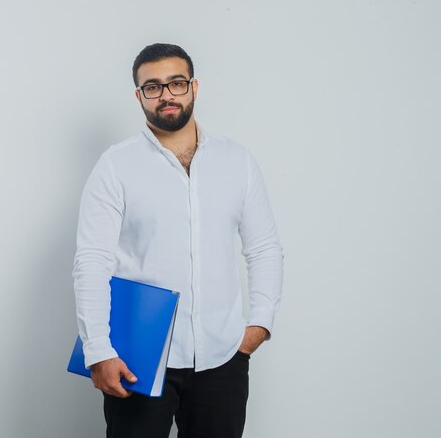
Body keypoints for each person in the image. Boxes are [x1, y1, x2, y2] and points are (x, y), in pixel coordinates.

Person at [72, 43, 284, 438]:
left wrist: (259, 324)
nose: (166, 94)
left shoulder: (237, 161)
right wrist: (98, 349)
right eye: (152, 87)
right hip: (139, 356)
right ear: (139, 97)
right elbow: (92, 261)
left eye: (176, 83)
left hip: (223, 357)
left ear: (194, 88)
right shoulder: (116, 166)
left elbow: (264, 248)